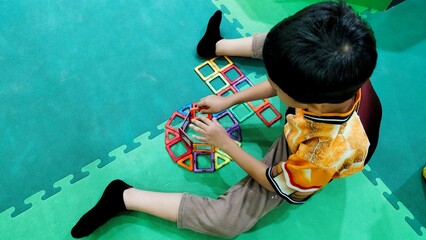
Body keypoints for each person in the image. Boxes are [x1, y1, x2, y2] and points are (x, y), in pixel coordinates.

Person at [71, 1, 378, 238]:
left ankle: (123, 197)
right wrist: (229, 98)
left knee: (227, 222)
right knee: (284, 48)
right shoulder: (338, 73)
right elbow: (283, 83)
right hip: (310, 116)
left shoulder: (321, 154)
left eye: (279, 86)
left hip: (305, 158)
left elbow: (277, 183)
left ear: (304, 100)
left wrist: (225, 144)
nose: (272, 84)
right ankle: (214, 46)